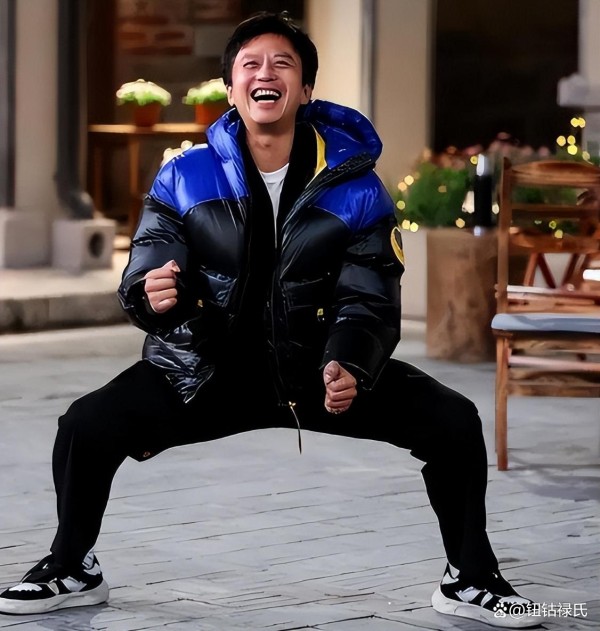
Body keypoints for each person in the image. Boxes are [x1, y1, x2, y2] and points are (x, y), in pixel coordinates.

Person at [0, 12, 538, 628]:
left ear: (305, 90)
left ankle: (470, 578)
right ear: (231, 88)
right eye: (250, 64)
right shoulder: (184, 175)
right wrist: (151, 294)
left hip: (315, 370)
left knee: (453, 421)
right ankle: (72, 565)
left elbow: (369, 294)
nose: (266, 73)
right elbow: (146, 265)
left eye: (283, 64)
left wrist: (351, 360)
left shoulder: (356, 187)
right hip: (205, 369)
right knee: (85, 426)